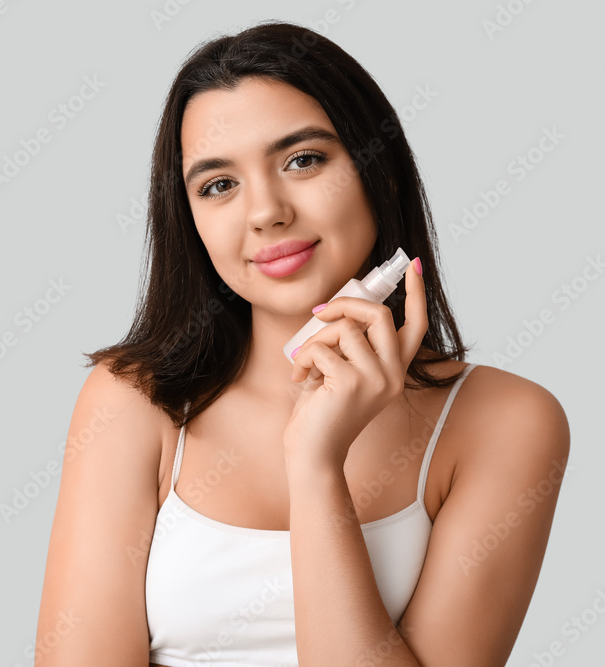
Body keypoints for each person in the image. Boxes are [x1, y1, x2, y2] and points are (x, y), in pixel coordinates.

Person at [34, 19, 569, 666]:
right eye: (219, 184)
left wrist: (316, 466)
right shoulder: (130, 402)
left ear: (384, 174)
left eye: (303, 159)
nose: (266, 211)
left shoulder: (506, 421)